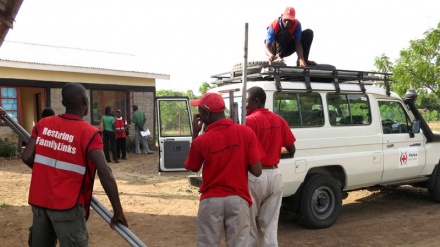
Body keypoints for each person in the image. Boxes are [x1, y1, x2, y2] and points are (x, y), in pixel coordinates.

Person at [21, 82, 127, 247]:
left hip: (39, 202)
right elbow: (105, 172)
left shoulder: (43, 124)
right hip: (67, 205)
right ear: (86, 101)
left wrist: (49, 173)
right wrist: (118, 211)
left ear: (63, 103)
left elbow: (27, 156)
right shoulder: (89, 133)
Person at [184, 92, 265, 247]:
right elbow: (257, 170)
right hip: (238, 200)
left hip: (211, 201)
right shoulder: (245, 132)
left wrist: (195, 133)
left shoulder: (202, 140)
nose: (198, 115)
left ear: (206, 114)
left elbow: (192, 166)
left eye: (200, 112)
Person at [245, 86, 296, 247]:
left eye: (246, 102)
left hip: (254, 177)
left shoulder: (248, 122)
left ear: (256, 101)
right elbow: (291, 149)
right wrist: (273, 151)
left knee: (248, 224)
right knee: (271, 226)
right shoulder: (279, 120)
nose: (244, 107)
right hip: (275, 176)